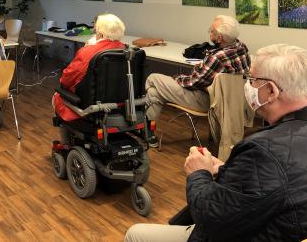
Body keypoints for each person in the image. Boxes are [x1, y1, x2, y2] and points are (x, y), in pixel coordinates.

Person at [125, 44, 307, 242]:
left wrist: (198, 173)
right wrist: (228, 170)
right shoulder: (277, 145)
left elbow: (210, 220)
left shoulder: (263, 150)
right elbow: (274, 185)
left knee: (135, 234)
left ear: (271, 91)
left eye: (252, 80)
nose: (246, 86)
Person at [145, 15, 250, 146]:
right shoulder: (241, 47)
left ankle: (143, 128)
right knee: (155, 92)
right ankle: (147, 132)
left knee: (153, 78)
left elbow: (193, 83)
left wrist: (177, 77)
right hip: (231, 103)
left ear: (219, 38)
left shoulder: (217, 57)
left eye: (211, 31)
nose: (209, 32)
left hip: (209, 102)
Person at [53, 13, 126, 123]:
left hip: (91, 106)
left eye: (95, 31)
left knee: (57, 96)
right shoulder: (126, 50)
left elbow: (66, 80)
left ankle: (67, 138)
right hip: (120, 103)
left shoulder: (88, 52)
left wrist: (86, 48)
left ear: (100, 35)